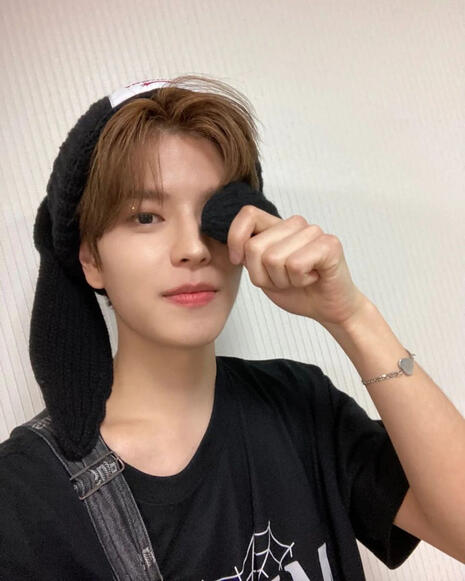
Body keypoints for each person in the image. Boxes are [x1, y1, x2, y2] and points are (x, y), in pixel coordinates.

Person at [1, 74, 463, 580]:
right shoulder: (23, 495)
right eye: (146, 217)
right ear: (90, 258)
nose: (193, 249)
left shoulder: (299, 403)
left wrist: (352, 316)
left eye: (212, 214)